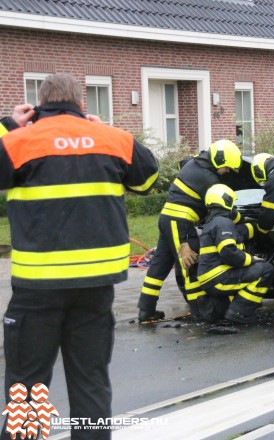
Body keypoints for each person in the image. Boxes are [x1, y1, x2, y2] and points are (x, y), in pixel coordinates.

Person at [0, 73, 159, 439]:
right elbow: (147, 179)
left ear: (38, 105)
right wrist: (107, 131)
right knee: (91, 381)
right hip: (96, 288)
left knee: (27, 386)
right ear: (81, 104)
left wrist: (9, 126)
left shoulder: (19, 141)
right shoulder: (113, 140)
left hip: (38, 289)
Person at [137, 140, 243, 322]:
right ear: (218, 160)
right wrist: (242, 220)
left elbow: (183, 166)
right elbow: (222, 206)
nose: (227, 172)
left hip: (167, 218)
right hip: (181, 223)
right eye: (226, 167)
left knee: (159, 265)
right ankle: (200, 312)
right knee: (190, 264)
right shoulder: (208, 179)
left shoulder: (193, 162)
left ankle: (146, 309)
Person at [197, 184, 274, 324]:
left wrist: (253, 227)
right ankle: (239, 313)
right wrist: (252, 259)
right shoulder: (223, 222)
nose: (234, 207)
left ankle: (227, 309)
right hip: (218, 278)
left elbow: (238, 233)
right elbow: (228, 252)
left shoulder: (212, 222)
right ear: (226, 201)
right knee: (266, 270)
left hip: (209, 278)